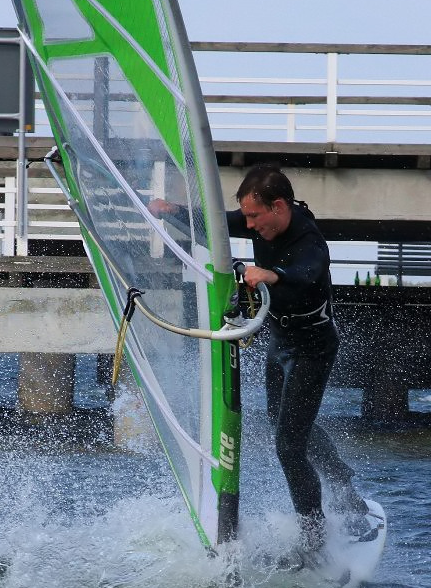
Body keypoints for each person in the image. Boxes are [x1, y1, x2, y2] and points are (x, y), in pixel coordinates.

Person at [150, 164, 370, 554]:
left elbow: (308, 271)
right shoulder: (260, 220)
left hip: (312, 350)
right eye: (247, 216)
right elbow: (218, 223)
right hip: (280, 341)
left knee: (288, 446)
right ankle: (341, 477)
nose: (249, 225)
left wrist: (273, 275)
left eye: (255, 216)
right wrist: (174, 211)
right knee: (286, 429)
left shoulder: (308, 238)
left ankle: (314, 537)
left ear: (279, 206)